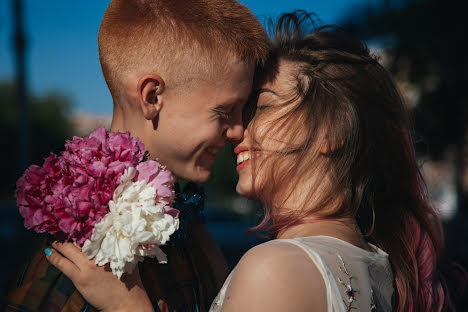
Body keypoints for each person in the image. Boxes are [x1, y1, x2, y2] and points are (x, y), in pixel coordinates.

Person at [44, 11, 449, 312]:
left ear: (332, 133)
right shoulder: (377, 264)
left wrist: (127, 308)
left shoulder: (276, 267)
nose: (239, 131)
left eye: (262, 107)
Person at [3, 1, 267, 311]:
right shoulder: (81, 256)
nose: (238, 130)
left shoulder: (189, 225)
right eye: (225, 111)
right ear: (152, 97)